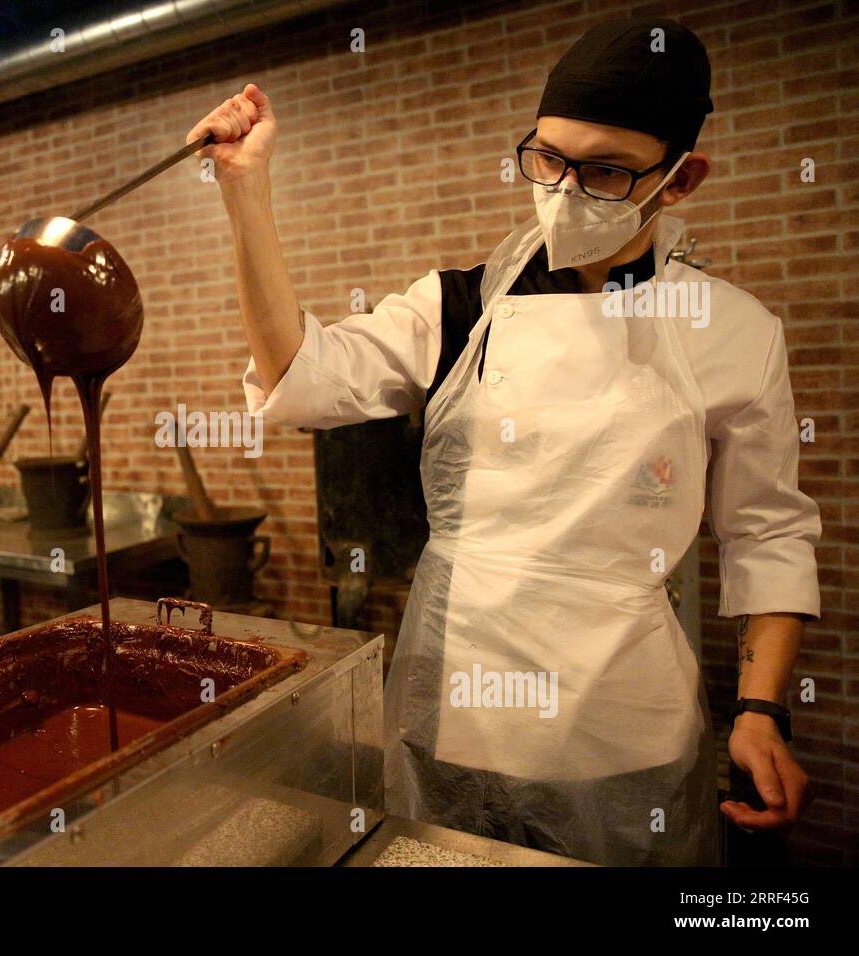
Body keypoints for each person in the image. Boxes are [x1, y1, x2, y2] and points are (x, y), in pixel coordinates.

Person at [188, 18, 820, 865]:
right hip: (454, 704)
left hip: (621, 728)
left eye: (603, 171)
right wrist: (245, 192)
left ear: (680, 179)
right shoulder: (458, 310)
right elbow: (301, 374)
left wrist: (761, 711)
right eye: (548, 157)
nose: (563, 189)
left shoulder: (732, 332)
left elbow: (768, 534)